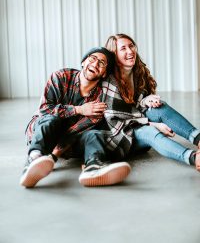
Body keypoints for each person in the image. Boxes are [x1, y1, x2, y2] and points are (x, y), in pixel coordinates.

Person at [20, 47, 131, 188]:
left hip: (69, 142)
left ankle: (93, 167)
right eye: (92, 58)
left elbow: (78, 130)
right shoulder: (61, 77)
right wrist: (79, 110)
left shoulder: (100, 98)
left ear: (104, 74)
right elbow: (45, 110)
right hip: (42, 134)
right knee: (51, 119)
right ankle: (33, 159)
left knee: (94, 134)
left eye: (102, 63)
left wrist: (54, 155)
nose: (95, 64)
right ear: (84, 62)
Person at [92, 33, 200, 172]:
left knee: (159, 107)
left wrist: (144, 100)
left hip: (135, 126)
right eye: (123, 48)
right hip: (118, 137)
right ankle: (194, 158)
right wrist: (152, 124)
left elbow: (131, 106)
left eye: (131, 46)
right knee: (148, 131)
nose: (130, 51)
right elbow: (116, 120)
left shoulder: (137, 72)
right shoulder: (109, 81)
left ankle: (197, 139)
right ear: (114, 54)